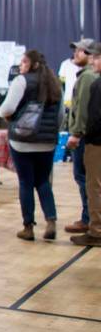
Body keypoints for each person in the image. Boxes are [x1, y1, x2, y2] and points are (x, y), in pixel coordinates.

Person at [0, 50, 62, 241]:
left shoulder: (21, 81)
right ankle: (51, 221)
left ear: (33, 64)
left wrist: (6, 115)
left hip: (22, 141)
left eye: (24, 61)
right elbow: (61, 116)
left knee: (26, 183)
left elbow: (7, 108)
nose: (21, 65)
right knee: (43, 182)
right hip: (47, 142)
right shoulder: (55, 83)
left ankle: (28, 227)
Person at [63, 39, 99, 234]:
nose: (76, 54)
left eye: (80, 51)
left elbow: (83, 109)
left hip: (85, 137)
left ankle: (88, 219)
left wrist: (76, 133)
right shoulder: (89, 75)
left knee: (84, 177)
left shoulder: (87, 77)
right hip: (89, 135)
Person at [72, 48, 101, 247]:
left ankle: (97, 231)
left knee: (94, 186)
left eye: (97, 58)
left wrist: (84, 134)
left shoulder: (97, 83)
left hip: (97, 142)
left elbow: (93, 115)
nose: (94, 61)